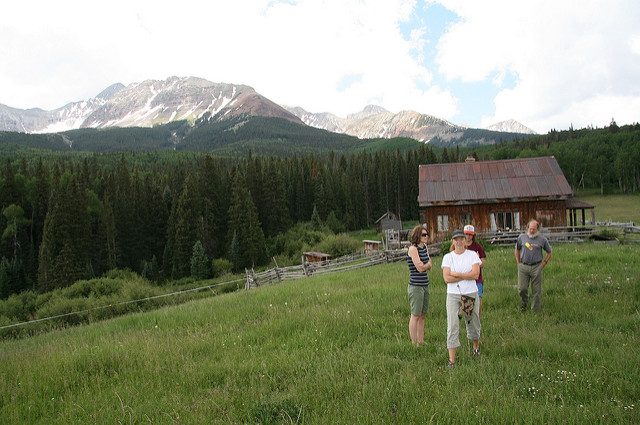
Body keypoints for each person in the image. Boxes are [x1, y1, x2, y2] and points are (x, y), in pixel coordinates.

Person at [442, 230, 481, 368]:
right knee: (452, 325)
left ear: (465, 240)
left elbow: (476, 274)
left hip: (470, 293)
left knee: (472, 322)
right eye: (456, 239)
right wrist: (466, 274)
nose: (459, 242)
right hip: (453, 295)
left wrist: (457, 274)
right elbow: (447, 278)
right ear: (452, 241)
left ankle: (476, 347)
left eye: (461, 239)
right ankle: (452, 360)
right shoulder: (448, 257)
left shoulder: (472, 255)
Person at [515, 219, 552, 312]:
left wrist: (544, 263)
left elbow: (549, 252)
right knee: (522, 289)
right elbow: (517, 249)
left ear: (537, 229)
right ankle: (524, 304)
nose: (531, 231)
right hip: (523, 266)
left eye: (534, 229)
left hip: (537, 266)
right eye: (530, 229)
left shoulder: (542, 239)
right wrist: (518, 262)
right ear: (527, 228)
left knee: (536, 290)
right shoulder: (521, 237)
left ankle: (535, 310)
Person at [406, 225, 433, 347]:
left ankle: (421, 341)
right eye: (423, 235)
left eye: (426, 234)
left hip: (425, 285)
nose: (426, 236)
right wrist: (426, 265)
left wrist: (426, 265)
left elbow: (429, 264)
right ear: (417, 236)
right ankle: (414, 343)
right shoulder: (413, 249)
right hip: (416, 286)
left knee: (422, 315)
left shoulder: (425, 247)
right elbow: (420, 267)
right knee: (415, 315)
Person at [463, 225, 486, 316]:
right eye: (466, 234)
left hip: (477, 278)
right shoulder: (461, 247)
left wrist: (476, 262)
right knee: (467, 300)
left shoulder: (477, 247)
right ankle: (468, 321)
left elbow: (483, 262)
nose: (468, 236)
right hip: (465, 278)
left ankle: (478, 320)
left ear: (473, 235)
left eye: (470, 234)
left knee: (478, 299)